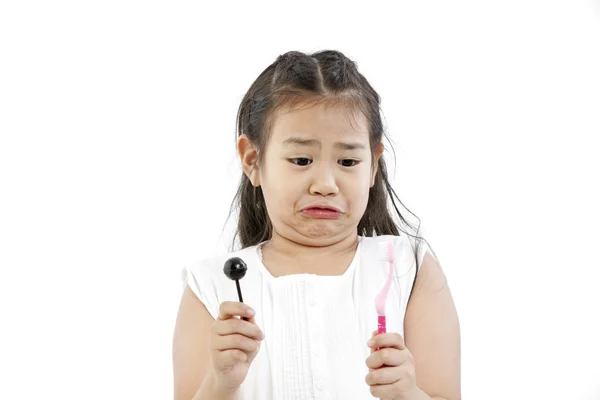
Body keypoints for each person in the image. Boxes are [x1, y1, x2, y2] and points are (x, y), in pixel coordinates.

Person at [172, 50, 461, 400]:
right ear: (253, 160)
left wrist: (408, 393)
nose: (325, 183)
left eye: (348, 160)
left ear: (372, 165)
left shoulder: (408, 267)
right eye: (301, 159)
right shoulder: (211, 285)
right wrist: (221, 383)